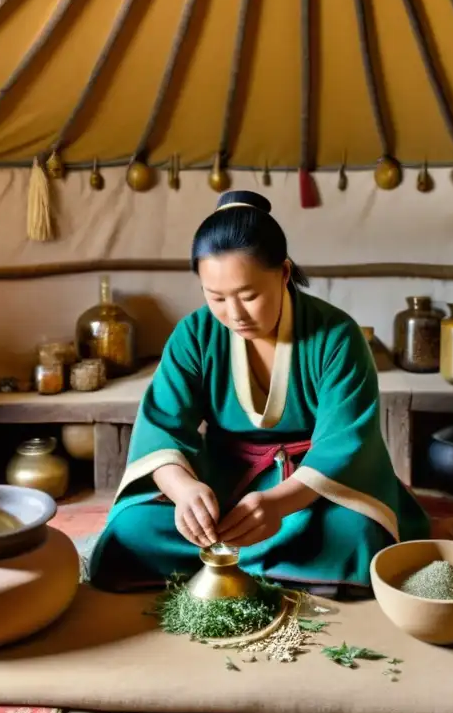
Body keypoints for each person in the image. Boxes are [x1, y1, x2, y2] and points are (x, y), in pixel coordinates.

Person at [88, 190, 430, 597]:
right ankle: (277, 563)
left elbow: (346, 443)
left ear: (284, 273)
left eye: (249, 296)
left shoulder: (337, 336)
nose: (234, 315)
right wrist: (184, 491)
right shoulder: (194, 335)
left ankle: (228, 558)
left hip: (308, 488)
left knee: (355, 535)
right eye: (216, 297)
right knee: (128, 533)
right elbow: (161, 426)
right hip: (221, 482)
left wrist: (278, 505)